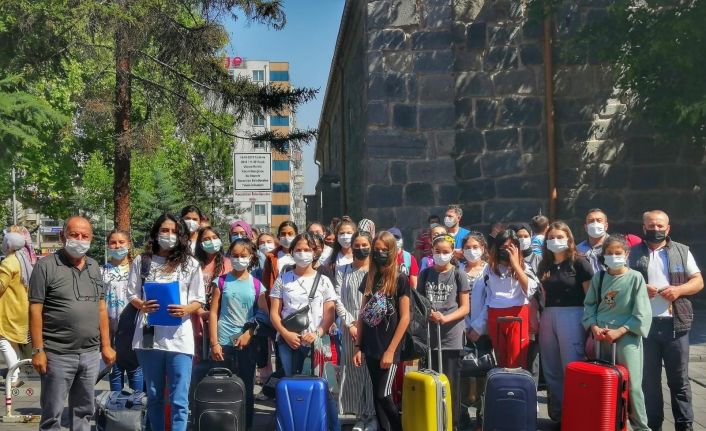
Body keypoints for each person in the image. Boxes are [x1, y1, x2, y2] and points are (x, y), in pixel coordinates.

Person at [29, 216, 116, 431]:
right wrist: (38, 350)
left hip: (90, 354)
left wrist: (106, 345)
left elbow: (101, 308)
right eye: (74, 235)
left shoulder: (94, 266)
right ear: (63, 236)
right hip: (57, 353)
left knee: (84, 412)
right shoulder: (45, 266)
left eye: (85, 236)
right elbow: (35, 310)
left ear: (91, 238)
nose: (79, 240)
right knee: (52, 415)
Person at [126, 213, 205, 431]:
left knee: (179, 398)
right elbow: (131, 293)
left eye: (174, 231)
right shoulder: (142, 261)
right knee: (154, 395)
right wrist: (141, 304)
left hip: (179, 339)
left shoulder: (190, 264)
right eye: (164, 230)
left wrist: (186, 309)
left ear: (181, 236)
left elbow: (199, 299)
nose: (169, 235)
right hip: (149, 338)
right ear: (156, 233)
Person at [629, 210, 704, 431]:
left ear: (668, 228)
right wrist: (639, 288)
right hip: (645, 326)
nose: (656, 229)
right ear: (643, 228)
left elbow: (698, 281)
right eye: (651, 225)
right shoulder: (631, 253)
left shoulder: (682, 251)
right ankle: (654, 426)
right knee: (649, 383)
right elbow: (621, 282)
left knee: (680, 382)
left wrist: (679, 290)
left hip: (675, 325)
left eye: (660, 226)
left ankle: (684, 426)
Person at [269, 233, 340, 431]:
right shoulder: (283, 279)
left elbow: (329, 314)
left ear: (315, 252)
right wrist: (285, 334)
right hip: (288, 342)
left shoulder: (324, 280)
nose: (302, 253)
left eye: (307, 249)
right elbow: (274, 313)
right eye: (298, 249)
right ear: (291, 252)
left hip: (317, 343)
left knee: (324, 387)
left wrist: (317, 333)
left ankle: (328, 427)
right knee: (292, 387)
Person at [583, 234, 652, 431]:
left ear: (626, 254)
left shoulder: (635, 278)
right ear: (604, 255)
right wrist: (593, 326)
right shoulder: (599, 277)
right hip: (601, 336)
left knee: (632, 385)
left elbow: (642, 311)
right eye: (609, 253)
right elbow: (589, 305)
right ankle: (607, 423)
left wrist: (620, 330)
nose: (614, 256)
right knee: (604, 381)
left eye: (618, 252)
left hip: (626, 336)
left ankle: (640, 427)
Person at [353, 231, 411, 431]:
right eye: (376, 249)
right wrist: (358, 346)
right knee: (376, 396)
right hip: (370, 345)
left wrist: (391, 350)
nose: (379, 253)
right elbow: (362, 314)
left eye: (384, 250)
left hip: (389, 347)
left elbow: (405, 317)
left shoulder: (400, 279)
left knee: (383, 394)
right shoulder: (370, 277)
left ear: (392, 251)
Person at [537, 222, 594, 421]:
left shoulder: (580, 262)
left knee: (571, 364)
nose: (555, 241)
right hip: (548, 315)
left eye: (559, 237)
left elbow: (590, 296)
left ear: (569, 239)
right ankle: (560, 413)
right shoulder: (544, 265)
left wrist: (590, 324)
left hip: (573, 314)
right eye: (551, 238)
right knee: (551, 367)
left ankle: (576, 414)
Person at [209, 238, 267, 429]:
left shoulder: (257, 285)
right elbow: (213, 312)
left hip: (246, 343)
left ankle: (245, 425)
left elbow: (262, 313)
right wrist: (214, 343)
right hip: (223, 342)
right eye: (235, 255)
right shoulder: (221, 281)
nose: (239, 259)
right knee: (222, 388)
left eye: (243, 255)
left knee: (246, 388)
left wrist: (249, 332)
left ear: (251, 257)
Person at [417, 234, 470, 431]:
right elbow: (419, 302)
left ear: (452, 252)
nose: (441, 255)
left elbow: (464, 307)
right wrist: (428, 313)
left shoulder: (458, 274)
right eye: (437, 251)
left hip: (451, 336)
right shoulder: (425, 274)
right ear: (432, 251)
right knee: (431, 380)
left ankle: (451, 423)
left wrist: (445, 318)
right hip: (430, 336)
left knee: (450, 383)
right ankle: (432, 420)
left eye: (446, 252)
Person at [467, 229, 538, 368]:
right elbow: (487, 298)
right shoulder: (489, 269)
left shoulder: (525, 267)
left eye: (510, 247)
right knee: (501, 359)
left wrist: (516, 265)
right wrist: (478, 325)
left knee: (517, 359)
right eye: (503, 247)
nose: (506, 251)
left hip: (517, 314)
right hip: (495, 315)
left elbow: (530, 290)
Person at [335, 231, 376, 430]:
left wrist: (365, 326)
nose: (361, 249)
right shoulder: (342, 270)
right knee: (353, 371)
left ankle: (373, 415)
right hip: (349, 328)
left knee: (371, 372)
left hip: (372, 328)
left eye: (364, 245)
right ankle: (359, 415)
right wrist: (350, 324)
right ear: (351, 247)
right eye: (357, 245)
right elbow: (337, 299)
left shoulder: (376, 271)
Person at [102, 229, 143, 391]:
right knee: (115, 369)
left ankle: (137, 402)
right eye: (113, 242)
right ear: (108, 246)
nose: (117, 246)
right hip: (111, 328)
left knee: (135, 368)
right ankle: (116, 404)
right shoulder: (102, 271)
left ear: (129, 245)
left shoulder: (137, 269)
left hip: (132, 326)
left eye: (121, 242)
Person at [0, 226, 37, 387]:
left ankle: (13, 377)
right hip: (21, 308)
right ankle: (15, 375)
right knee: (12, 342)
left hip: (9, 310)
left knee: (3, 341)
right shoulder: (23, 260)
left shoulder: (8, 262)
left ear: (8, 245)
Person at [459, 231, 489, 429]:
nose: (471, 251)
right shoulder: (458, 270)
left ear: (483, 248)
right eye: (468, 247)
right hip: (461, 329)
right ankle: (462, 415)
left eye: (475, 247)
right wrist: (465, 325)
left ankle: (481, 416)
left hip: (483, 331)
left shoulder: (489, 270)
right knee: (462, 373)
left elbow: (491, 301)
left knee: (482, 372)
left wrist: (478, 326)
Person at [193, 227, 232, 361]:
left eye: (214, 238)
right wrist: (200, 311)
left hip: (220, 318)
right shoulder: (193, 264)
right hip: (196, 318)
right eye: (206, 239)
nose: (211, 241)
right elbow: (187, 291)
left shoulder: (229, 264)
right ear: (200, 243)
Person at [261, 221, 298, 290]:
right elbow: (266, 282)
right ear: (278, 236)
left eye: (290, 234)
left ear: (296, 235)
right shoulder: (271, 257)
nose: (286, 237)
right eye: (283, 234)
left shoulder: (302, 254)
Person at [576, 208, 610, 273]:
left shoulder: (616, 246)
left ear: (606, 226)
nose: (595, 223)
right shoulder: (578, 249)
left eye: (599, 220)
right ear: (586, 227)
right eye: (591, 221)